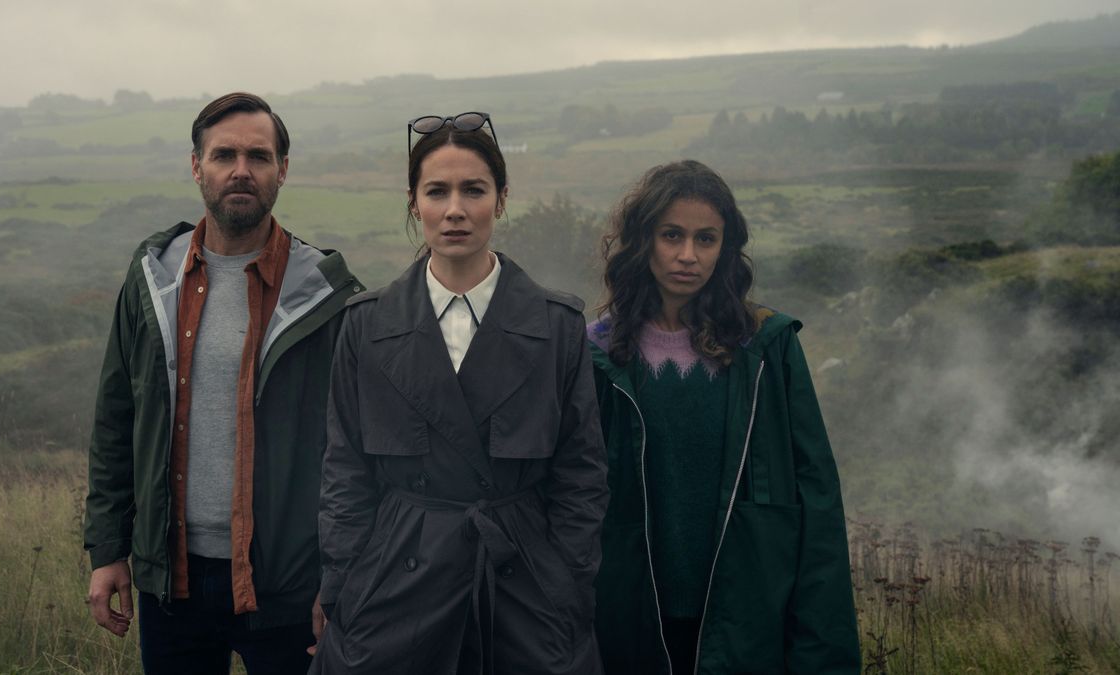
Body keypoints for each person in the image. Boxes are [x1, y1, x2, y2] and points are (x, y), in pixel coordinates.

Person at [310, 113, 609, 675]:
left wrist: (567, 584)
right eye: (437, 191)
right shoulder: (367, 325)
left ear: (500, 200)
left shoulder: (556, 325)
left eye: (473, 190)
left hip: (524, 585)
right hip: (394, 584)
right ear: (412, 202)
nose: (455, 210)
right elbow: (344, 471)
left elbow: (582, 473)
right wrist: (343, 587)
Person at [84, 92, 363, 674]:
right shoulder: (152, 281)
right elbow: (117, 419)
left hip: (286, 586)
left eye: (259, 157)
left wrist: (341, 576)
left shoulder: (327, 297)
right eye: (224, 154)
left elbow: (354, 453)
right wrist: (108, 550)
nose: (241, 170)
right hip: (173, 582)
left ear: (282, 170)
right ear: (196, 166)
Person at [588, 160, 860, 674]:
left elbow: (815, 500)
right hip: (631, 624)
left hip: (747, 622)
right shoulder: (599, 356)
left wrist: (824, 654)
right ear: (643, 240)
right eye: (672, 235)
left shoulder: (766, 348)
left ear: (725, 248)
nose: (687, 255)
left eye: (706, 239)